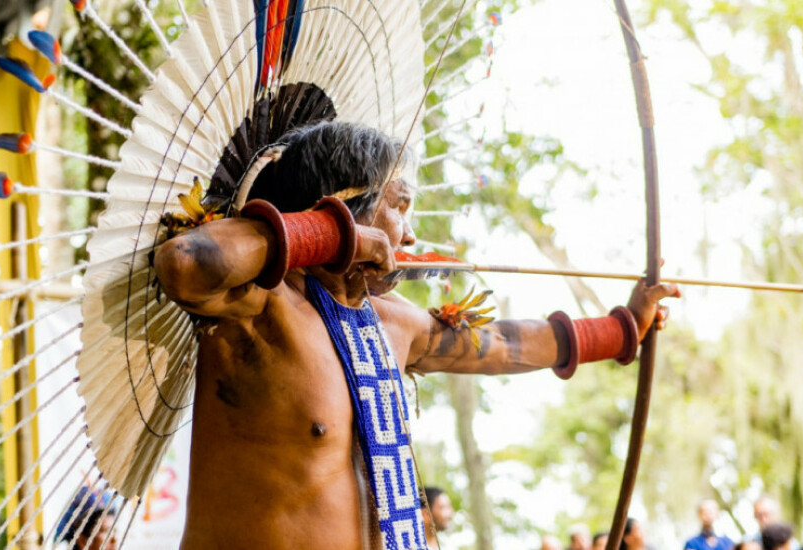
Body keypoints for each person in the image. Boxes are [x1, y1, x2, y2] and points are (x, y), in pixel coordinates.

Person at [153, 121, 678, 549]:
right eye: (399, 205)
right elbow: (185, 263)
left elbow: (508, 345)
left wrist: (624, 328)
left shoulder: (393, 321)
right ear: (341, 203)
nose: (410, 232)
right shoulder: (257, 305)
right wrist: (331, 234)